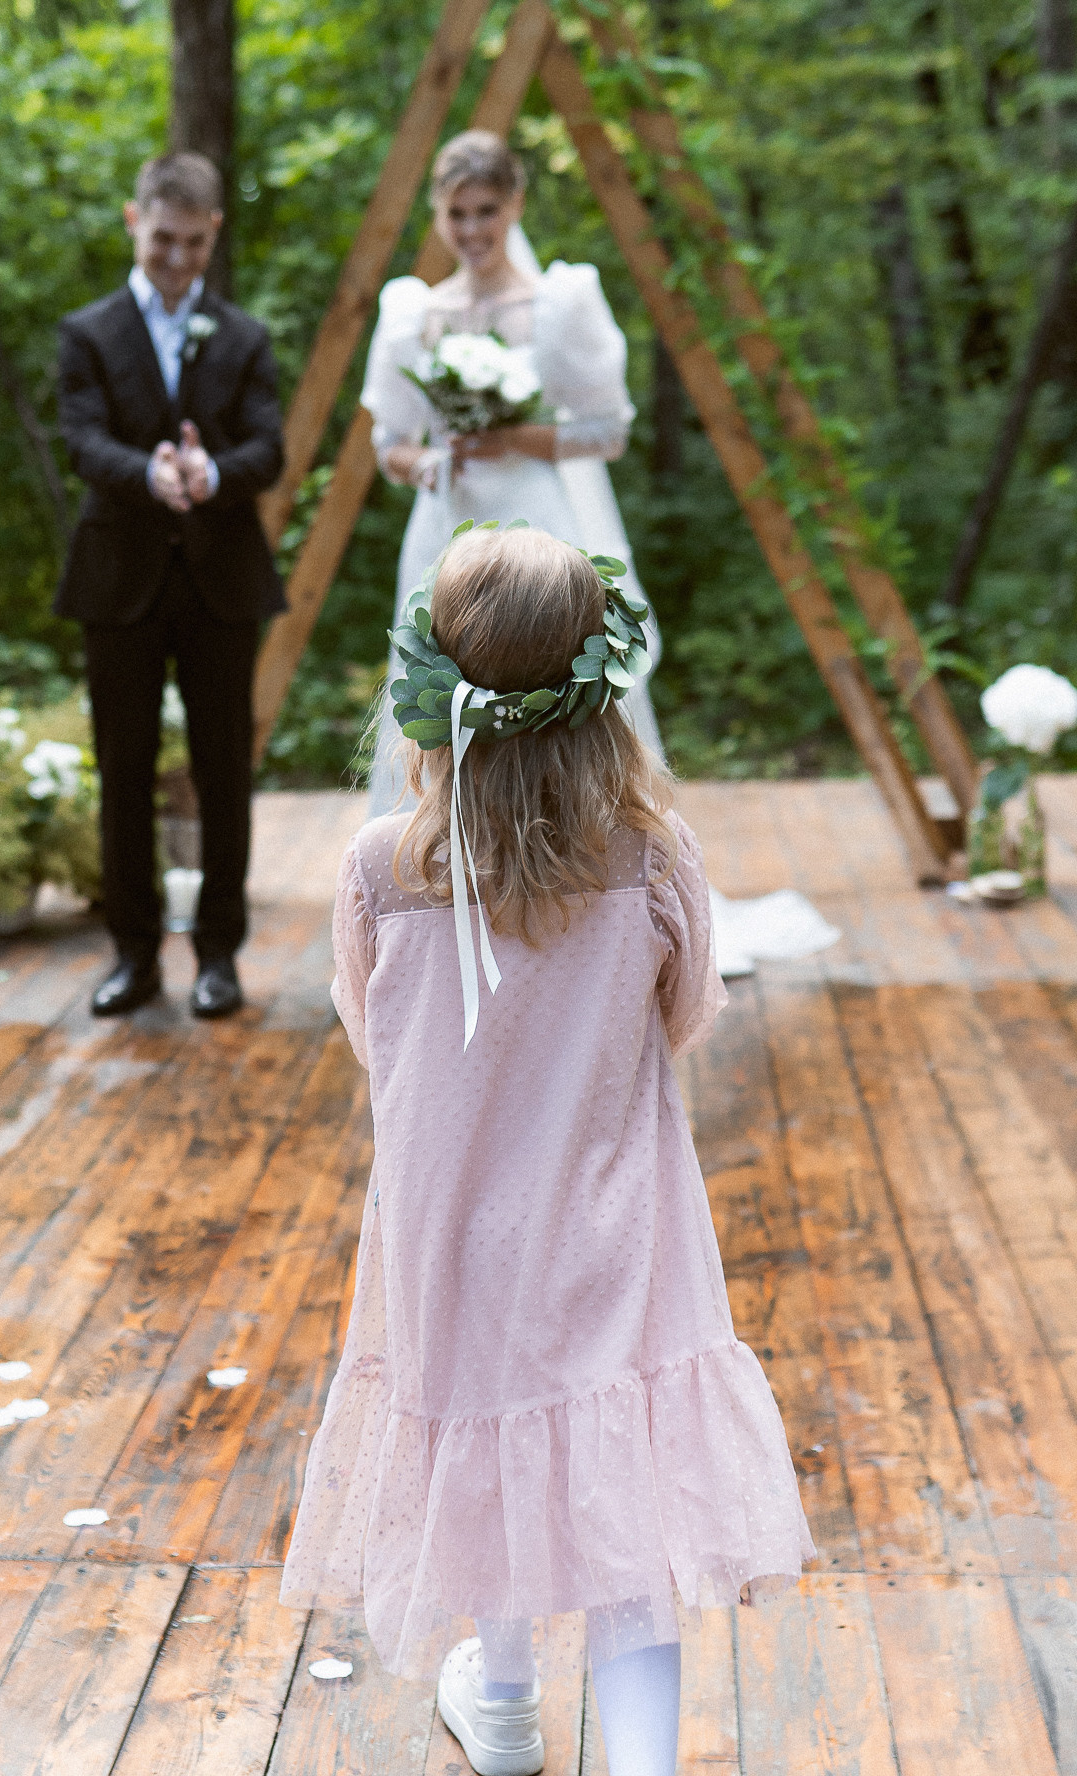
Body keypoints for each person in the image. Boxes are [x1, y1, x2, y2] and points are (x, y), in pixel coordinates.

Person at [280, 526, 813, 1776]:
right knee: (617, 1494)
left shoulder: (380, 868)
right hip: (614, 1223)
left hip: (450, 1228)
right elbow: (684, 1016)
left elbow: (371, 1031)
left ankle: (506, 1705)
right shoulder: (648, 856)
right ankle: (633, 1759)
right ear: (595, 690)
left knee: (489, 1441)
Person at [362, 129, 661, 817]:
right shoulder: (415, 311)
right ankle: (443, 847)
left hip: (537, 516)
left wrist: (513, 437)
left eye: (486, 211)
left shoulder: (559, 304)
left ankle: (562, 832)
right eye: (457, 213)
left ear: (515, 204)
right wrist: (434, 462)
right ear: (438, 212)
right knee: (439, 682)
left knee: (549, 673)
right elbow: (391, 445)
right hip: (446, 520)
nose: (472, 229)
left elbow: (608, 431)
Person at [55, 151, 285, 1018]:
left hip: (221, 582)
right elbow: (81, 439)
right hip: (117, 580)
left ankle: (219, 956)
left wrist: (211, 472)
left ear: (214, 232)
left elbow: (269, 450)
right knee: (124, 769)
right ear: (133, 221)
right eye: (163, 240)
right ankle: (133, 953)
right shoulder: (88, 332)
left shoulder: (244, 336)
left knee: (225, 769)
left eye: (194, 242)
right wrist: (145, 473)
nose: (179, 258)